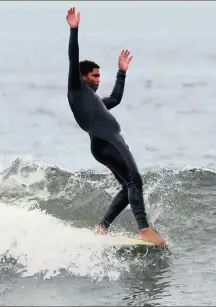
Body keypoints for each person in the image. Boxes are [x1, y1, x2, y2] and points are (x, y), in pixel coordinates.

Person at [65, 7, 166, 246]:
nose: (98, 80)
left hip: (101, 144)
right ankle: (143, 228)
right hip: (109, 140)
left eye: (100, 76)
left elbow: (116, 99)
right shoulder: (77, 90)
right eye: (95, 76)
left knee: (127, 187)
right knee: (135, 181)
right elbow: (73, 57)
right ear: (83, 76)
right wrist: (74, 29)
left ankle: (102, 228)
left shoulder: (94, 101)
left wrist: (121, 72)